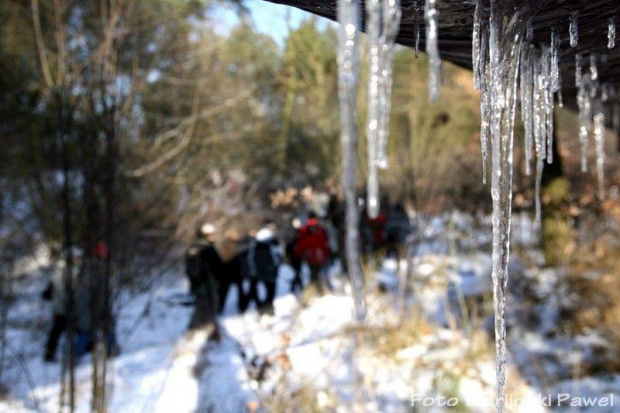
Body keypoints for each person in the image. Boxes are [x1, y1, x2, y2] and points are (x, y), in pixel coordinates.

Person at [43, 247, 81, 362]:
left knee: (56, 332)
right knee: (77, 330)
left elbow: (49, 290)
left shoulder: (58, 270)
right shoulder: (73, 271)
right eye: (76, 257)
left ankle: (50, 353)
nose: (77, 259)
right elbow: (76, 290)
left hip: (58, 307)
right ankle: (75, 355)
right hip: (68, 307)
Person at [187, 223, 222, 329]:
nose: (213, 236)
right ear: (205, 235)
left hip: (208, 283)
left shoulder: (203, 247)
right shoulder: (202, 248)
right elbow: (193, 268)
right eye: (211, 234)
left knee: (208, 307)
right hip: (203, 284)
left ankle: (208, 329)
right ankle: (194, 331)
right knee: (204, 308)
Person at [244, 223, 282, 312]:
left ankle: (263, 307)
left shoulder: (256, 244)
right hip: (269, 272)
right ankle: (267, 308)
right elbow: (277, 258)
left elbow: (251, 258)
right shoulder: (272, 242)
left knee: (264, 290)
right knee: (270, 291)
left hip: (260, 271)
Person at [294, 212, 330, 293]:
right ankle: (317, 291)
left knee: (321, 274)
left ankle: (321, 291)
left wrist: (327, 253)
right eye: (311, 220)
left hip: (320, 257)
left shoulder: (321, 230)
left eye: (314, 220)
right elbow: (300, 244)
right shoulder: (304, 231)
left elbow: (325, 243)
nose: (312, 222)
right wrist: (298, 254)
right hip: (310, 258)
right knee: (314, 275)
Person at [286, 218, 304, 294]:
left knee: (297, 272)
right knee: (296, 272)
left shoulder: (300, 232)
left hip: (296, 255)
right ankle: (296, 286)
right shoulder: (296, 233)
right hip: (295, 256)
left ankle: (294, 287)